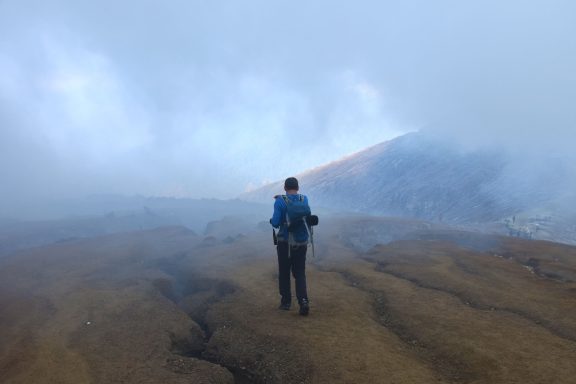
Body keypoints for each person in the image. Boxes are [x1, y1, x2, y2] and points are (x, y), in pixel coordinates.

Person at [270, 177, 310, 316]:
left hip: (285, 242)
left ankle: (286, 302)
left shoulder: (280, 201)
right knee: (300, 273)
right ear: (297, 188)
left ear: (285, 188)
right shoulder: (304, 199)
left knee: (284, 272)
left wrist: (273, 220)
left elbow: (275, 222)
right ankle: (303, 301)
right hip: (301, 241)